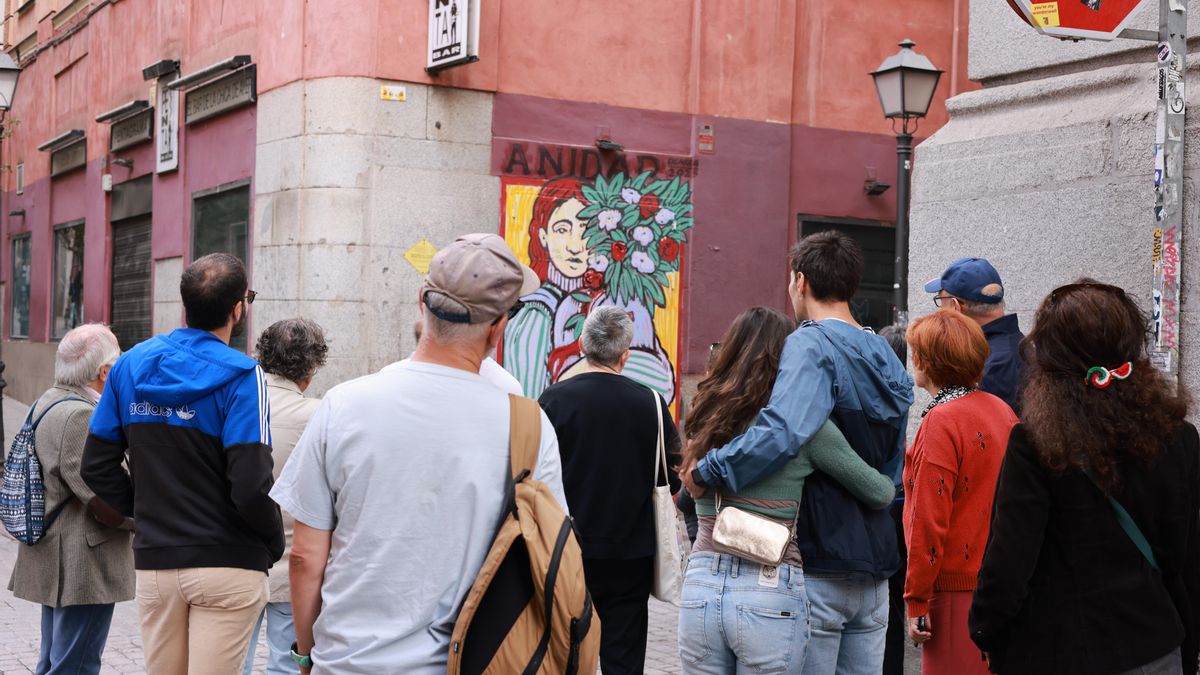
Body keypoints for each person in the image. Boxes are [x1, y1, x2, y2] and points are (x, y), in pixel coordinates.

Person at [272, 234, 568, 673]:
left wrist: (306, 651)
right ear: (499, 326)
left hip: (350, 662)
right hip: (470, 662)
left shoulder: (344, 404)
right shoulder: (527, 424)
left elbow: (305, 556)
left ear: (421, 302)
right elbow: (549, 553)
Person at [681, 231, 914, 675]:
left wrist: (712, 468)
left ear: (800, 281)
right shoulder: (884, 351)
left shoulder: (809, 342)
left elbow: (785, 431)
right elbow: (890, 467)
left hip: (819, 554)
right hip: (876, 559)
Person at [969, 280, 1200, 675]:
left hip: (1059, 650)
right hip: (1156, 646)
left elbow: (1010, 559)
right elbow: (1186, 557)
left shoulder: (1035, 442)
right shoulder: (1179, 437)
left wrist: (985, 630)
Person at [82, 253, 284, 674]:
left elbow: (96, 466)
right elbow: (250, 484)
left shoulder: (130, 366)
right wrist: (273, 542)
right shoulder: (245, 376)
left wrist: (148, 511)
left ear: (185, 306)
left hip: (158, 562)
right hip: (229, 561)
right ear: (238, 308)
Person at [538, 306, 681, 674]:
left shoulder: (553, 401)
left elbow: (535, 477)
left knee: (565, 654)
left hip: (566, 551)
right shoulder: (650, 402)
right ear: (625, 355)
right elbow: (674, 476)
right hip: (630, 557)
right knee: (623, 659)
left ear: (583, 347)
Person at [9, 324, 132, 675]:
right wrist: (146, 520)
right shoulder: (81, 415)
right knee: (75, 665)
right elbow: (101, 496)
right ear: (105, 372)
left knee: (54, 661)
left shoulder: (48, 399)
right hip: (82, 565)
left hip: (60, 556)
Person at [901, 310, 1016, 674]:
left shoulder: (942, 419)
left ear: (927, 361)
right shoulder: (1001, 410)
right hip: (1000, 583)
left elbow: (927, 518)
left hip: (952, 592)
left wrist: (917, 599)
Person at [503, 177, 676, 402]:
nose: (575, 245)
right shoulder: (535, 312)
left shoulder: (622, 300)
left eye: (586, 229)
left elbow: (663, 385)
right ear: (543, 237)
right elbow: (531, 403)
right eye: (562, 229)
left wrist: (582, 371)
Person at [242, 319, 329, 675]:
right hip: (292, 562)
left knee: (231, 662)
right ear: (310, 371)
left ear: (261, 355)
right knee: (286, 664)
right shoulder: (318, 414)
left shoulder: (235, 402)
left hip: (235, 559)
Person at [924, 258, 1025, 413]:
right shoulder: (1016, 345)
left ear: (956, 306)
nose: (939, 312)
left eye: (940, 300)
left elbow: (984, 434)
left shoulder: (991, 366)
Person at [875, 324, 909, 675]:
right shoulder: (904, 392)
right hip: (901, 502)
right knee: (896, 604)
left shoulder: (874, 391)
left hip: (883, 503)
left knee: (882, 601)